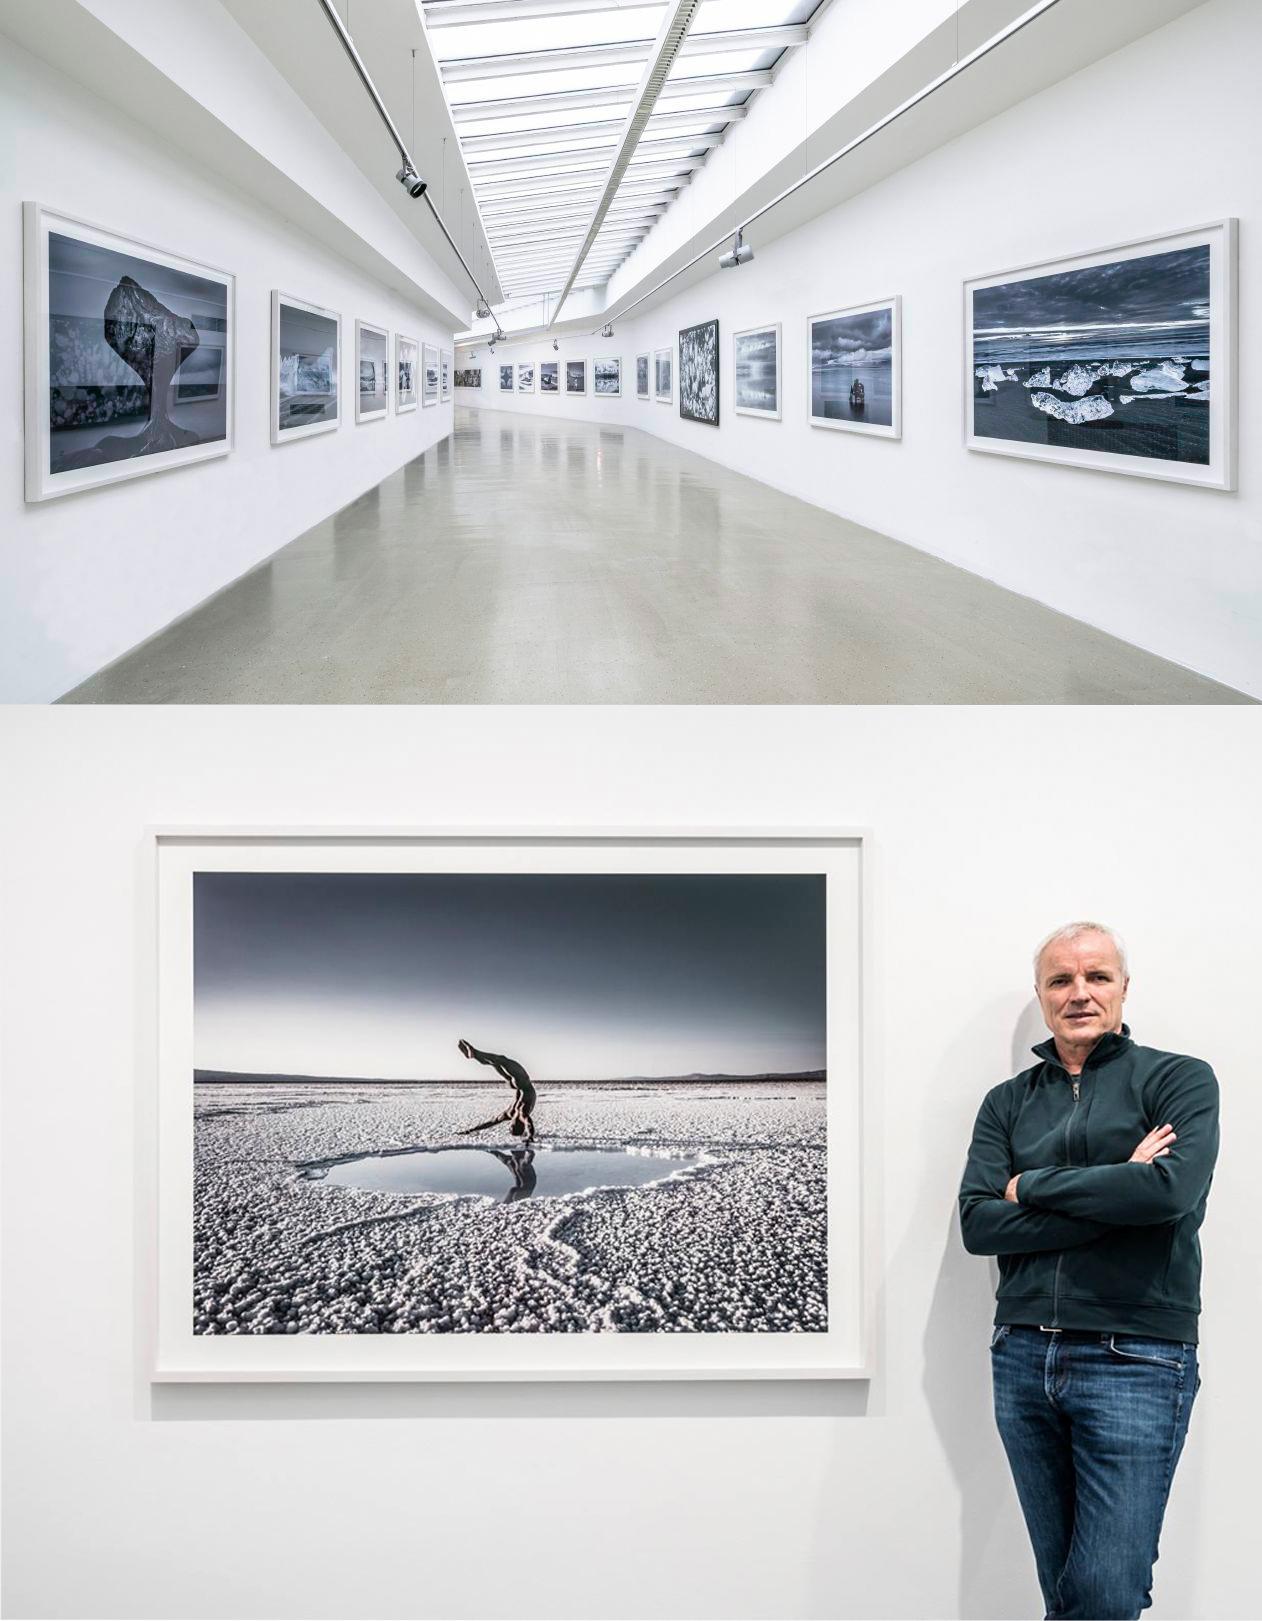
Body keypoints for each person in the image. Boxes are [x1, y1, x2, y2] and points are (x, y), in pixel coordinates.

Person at [958, 922, 1219, 1621]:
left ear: (1123, 987)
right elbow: (979, 1224)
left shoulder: (1178, 1079)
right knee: (1067, 1590)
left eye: (1096, 976)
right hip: (1021, 1355)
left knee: (1104, 1591)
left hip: (1135, 1352)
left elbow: (1166, 1194)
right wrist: (1116, 1186)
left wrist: (1030, 1184)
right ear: (1042, 996)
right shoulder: (1006, 1102)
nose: (1080, 992)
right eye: (1061, 979)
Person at [456, 1038, 537, 1141]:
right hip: (522, 1084)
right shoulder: (519, 1114)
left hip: (520, 1084)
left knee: (498, 1061)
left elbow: (490, 1123)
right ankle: (475, 1053)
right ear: (513, 1125)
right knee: (499, 1061)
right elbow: (529, 1124)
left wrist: (470, 1130)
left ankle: (475, 1054)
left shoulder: (510, 1114)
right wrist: (530, 1136)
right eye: (510, 1127)